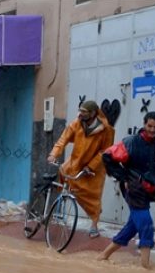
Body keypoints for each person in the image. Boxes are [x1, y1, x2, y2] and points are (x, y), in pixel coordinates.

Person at [97, 111, 155, 269]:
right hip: (133, 188)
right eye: (149, 126)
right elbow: (108, 156)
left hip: (149, 191)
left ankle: (103, 256)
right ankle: (145, 267)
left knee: (133, 225)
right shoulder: (131, 142)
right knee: (146, 224)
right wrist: (123, 178)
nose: (152, 130)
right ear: (144, 124)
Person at [47, 100, 115, 238]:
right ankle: (60, 204)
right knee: (62, 171)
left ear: (93, 113)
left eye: (84, 112)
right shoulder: (76, 124)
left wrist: (90, 166)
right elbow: (63, 139)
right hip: (76, 162)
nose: (80, 114)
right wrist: (53, 154)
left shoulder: (106, 130)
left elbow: (105, 151)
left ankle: (94, 224)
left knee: (92, 197)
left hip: (94, 167)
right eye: (80, 111)